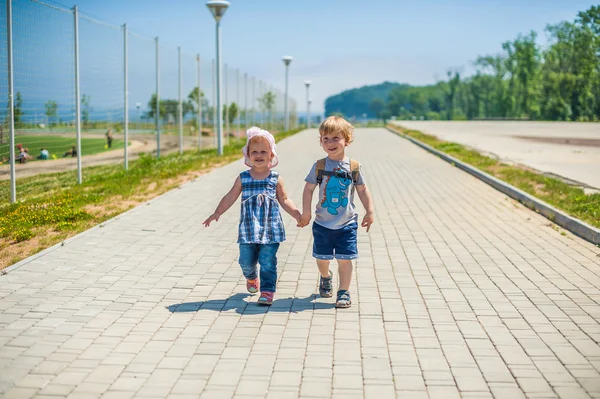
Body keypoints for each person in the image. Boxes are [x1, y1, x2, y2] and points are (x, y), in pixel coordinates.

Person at [203, 126, 302, 306]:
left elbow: (284, 199)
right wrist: (217, 212)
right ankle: (251, 277)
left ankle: (267, 291)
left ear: (271, 154)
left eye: (263, 151)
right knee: (246, 261)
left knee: (267, 261)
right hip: (249, 230)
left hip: (270, 230)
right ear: (247, 155)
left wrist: (297, 214)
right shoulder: (243, 178)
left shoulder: (275, 178)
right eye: (254, 151)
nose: (258, 155)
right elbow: (230, 196)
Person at [298, 116, 374, 308]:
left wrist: (369, 211)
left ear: (346, 140)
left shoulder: (354, 167)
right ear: (321, 141)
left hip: (347, 223)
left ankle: (344, 292)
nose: (330, 143)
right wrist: (305, 213)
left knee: (345, 259)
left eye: (335, 138)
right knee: (322, 259)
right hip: (323, 223)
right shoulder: (320, 166)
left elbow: (363, 190)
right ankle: (325, 276)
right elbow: (308, 189)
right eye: (326, 139)